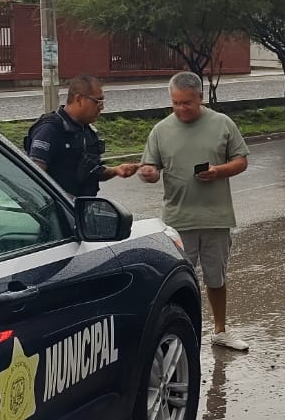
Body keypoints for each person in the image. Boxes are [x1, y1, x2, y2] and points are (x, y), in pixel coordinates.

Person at [139, 72, 251, 352]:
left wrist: (218, 171)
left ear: (200, 97)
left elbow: (241, 161)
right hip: (178, 220)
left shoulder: (222, 124)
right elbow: (150, 168)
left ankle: (221, 331)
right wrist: (149, 173)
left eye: (187, 103)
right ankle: (177, 332)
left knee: (216, 278)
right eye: (175, 103)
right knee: (177, 283)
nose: (181, 109)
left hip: (216, 218)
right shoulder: (161, 130)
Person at [25, 75, 139, 198]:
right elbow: (35, 176)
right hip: (58, 210)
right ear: (78, 99)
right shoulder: (51, 129)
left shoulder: (87, 131)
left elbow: (90, 172)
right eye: (97, 101)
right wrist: (65, 199)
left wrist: (116, 170)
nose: (101, 107)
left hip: (82, 208)